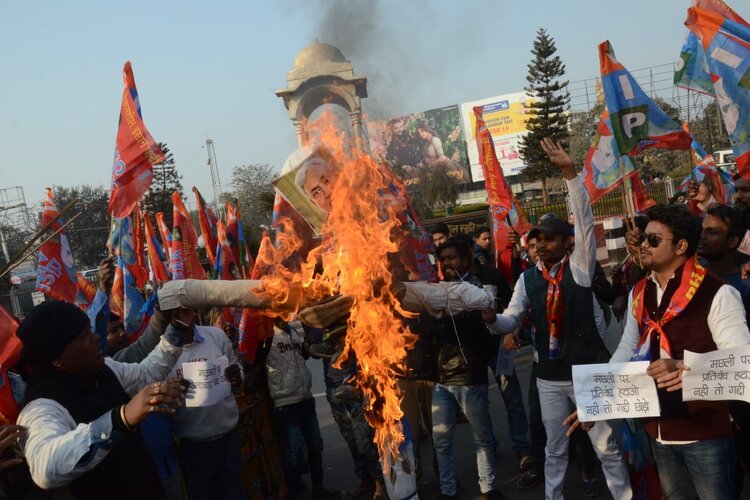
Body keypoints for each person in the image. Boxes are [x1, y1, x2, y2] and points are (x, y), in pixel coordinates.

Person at [484, 139, 631, 500]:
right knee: (553, 446)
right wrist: (491, 320)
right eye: (538, 239)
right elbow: (510, 320)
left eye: (550, 239)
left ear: (568, 243)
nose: (542, 244)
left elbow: (582, 219)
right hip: (549, 377)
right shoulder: (527, 278)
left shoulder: (580, 268)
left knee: (606, 445)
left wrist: (570, 174)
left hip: (588, 371)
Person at [608, 204, 750, 499]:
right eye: (644, 238)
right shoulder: (639, 291)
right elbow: (626, 347)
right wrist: (596, 394)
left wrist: (686, 369)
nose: (643, 245)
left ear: (681, 246)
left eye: (654, 240)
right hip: (658, 430)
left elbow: (741, 361)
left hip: (705, 432)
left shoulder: (718, 293)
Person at [15, 300, 186, 500]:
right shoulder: (41, 408)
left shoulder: (106, 369)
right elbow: (45, 468)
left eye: (90, 330)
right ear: (56, 358)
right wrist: (120, 419)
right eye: (82, 336)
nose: (96, 338)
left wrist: (177, 328)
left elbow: (148, 373)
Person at [431, 238, 504, 500]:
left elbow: (490, 330)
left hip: (470, 376)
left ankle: (488, 489)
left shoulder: (478, 291)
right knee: (441, 441)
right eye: (443, 259)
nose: (447, 264)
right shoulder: (436, 292)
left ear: (465, 259)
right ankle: (447, 490)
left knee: (482, 439)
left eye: (452, 258)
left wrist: (468, 313)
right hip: (441, 379)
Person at [165, 307, 246, 500]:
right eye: (175, 313)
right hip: (194, 448)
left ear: (193, 311)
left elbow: (237, 367)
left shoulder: (216, 336)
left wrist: (237, 377)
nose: (182, 317)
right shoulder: (163, 353)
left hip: (228, 440)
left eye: (186, 310)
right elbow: (160, 397)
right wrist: (171, 390)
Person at [265, 322, 328, 499]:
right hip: (286, 403)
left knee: (315, 445)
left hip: (305, 397)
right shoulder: (267, 337)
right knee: (294, 452)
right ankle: (295, 492)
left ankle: (319, 488)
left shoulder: (294, 331)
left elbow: (304, 356)